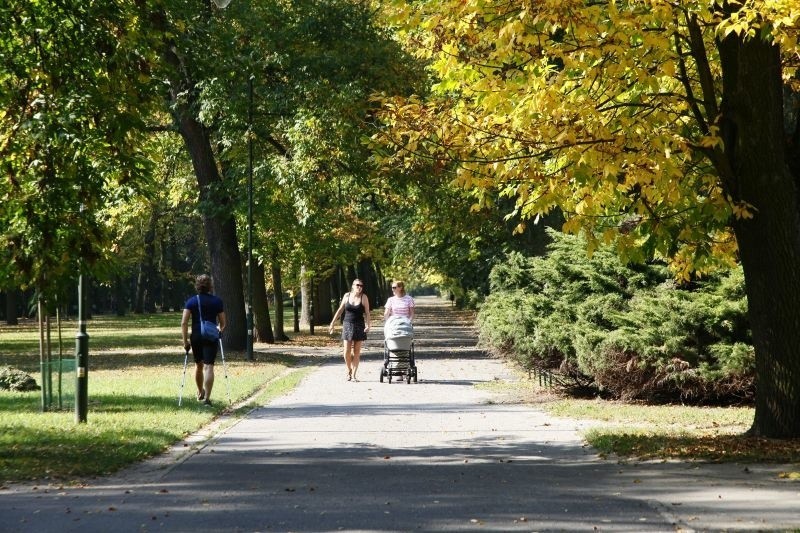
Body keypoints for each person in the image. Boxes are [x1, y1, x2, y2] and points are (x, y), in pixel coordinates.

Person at [181, 274, 226, 406]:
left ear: (197, 286)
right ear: (210, 286)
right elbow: (223, 323)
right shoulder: (217, 301)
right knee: (209, 366)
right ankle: (207, 398)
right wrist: (219, 330)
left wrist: (185, 342)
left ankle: (200, 392)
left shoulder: (191, 301)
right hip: (211, 336)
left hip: (196, 336)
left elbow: (184, 323)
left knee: (198, 365)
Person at [329, 279, 371, 381]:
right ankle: (349, 370)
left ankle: (354, 375)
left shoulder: (364, 297)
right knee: (346, 351)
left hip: (359, 325)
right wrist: (332, 323)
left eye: (361, 285)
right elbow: (340, 310)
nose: (359, 287)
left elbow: (367, 312)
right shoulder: (346, 296)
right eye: (357, 285)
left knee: (356, 351)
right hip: (347, 324)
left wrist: (368, 325)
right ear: (352, 286)